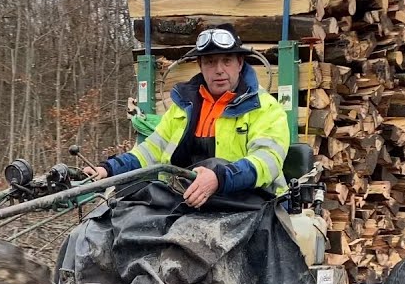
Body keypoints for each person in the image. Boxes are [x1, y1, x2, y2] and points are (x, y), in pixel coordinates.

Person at [86, 26, 290, 208]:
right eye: (210, 62)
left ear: (239, 63)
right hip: (185, 203)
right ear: (200, 65)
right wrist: (107, 170)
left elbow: (267, 160)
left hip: (252, 205)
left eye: (226, 61)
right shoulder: (182, 108)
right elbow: (149, 152)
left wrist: (220, 178)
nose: (219, 70)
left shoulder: (266, 108)